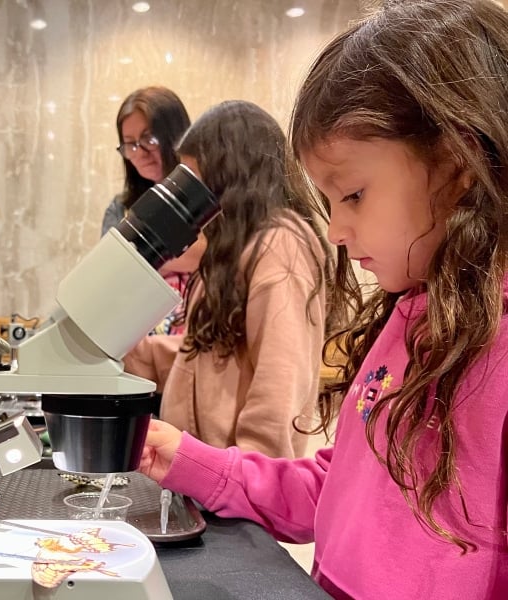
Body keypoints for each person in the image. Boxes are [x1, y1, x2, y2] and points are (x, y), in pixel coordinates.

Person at [137, 1, 508, 598]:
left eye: (354, 194)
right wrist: (186, 458)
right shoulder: (409, 313)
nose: (335, 230)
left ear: (457, 163)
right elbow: (327, 494)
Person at [125, 100, 332, 459]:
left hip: (238, 488)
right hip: (206, 476)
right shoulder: (235, 248)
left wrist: (246, 478)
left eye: (196, 183)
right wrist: (133, 353)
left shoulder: (281, 244)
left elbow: (278, 383)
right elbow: (210, 353)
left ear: (229, 178)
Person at [102, 86, 192, 334]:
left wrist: (146, 257)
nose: (140, 153)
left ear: (177, 135)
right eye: (129, 144)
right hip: (138, 344)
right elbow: (111, 273)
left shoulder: (213, 198)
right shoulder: (120, 209)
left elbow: (221, 255)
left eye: (149, 139)